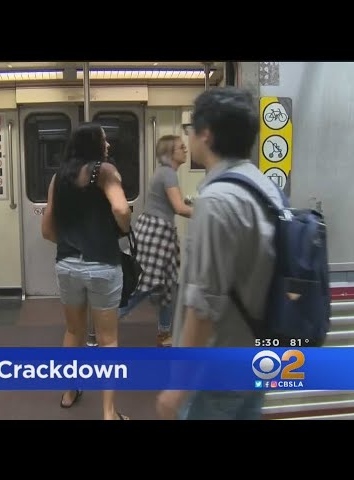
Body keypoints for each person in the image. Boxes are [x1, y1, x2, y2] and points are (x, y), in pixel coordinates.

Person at [156, 87, 281, 420]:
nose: (188, 139)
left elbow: (204, 306)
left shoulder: (216, 201)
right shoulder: (264, 187)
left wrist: (177, 388)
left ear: (206, 134)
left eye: (190, 129)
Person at [42, 122, 131, 420]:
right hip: (102, 264)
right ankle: (108, 413)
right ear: (93, 144)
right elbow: (121, 209)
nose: (108, 145)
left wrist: (71, 242)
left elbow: (47, 230)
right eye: (104, 140)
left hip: (67, 264)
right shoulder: (105, 172)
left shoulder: (58, 178)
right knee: (108, 340)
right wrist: (123, 228)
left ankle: (69, 392)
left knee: (73, 331)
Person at [118, 135, 193, 347]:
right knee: (146, 284)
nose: (185, 150)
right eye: (181, 147)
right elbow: (179, 208)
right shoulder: (168, 174)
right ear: (170, 153)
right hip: (156, 233)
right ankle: (105, 323)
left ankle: (164, 332)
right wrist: (207, 212)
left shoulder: (165, 173)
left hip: (159, 232)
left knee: (167, 285)